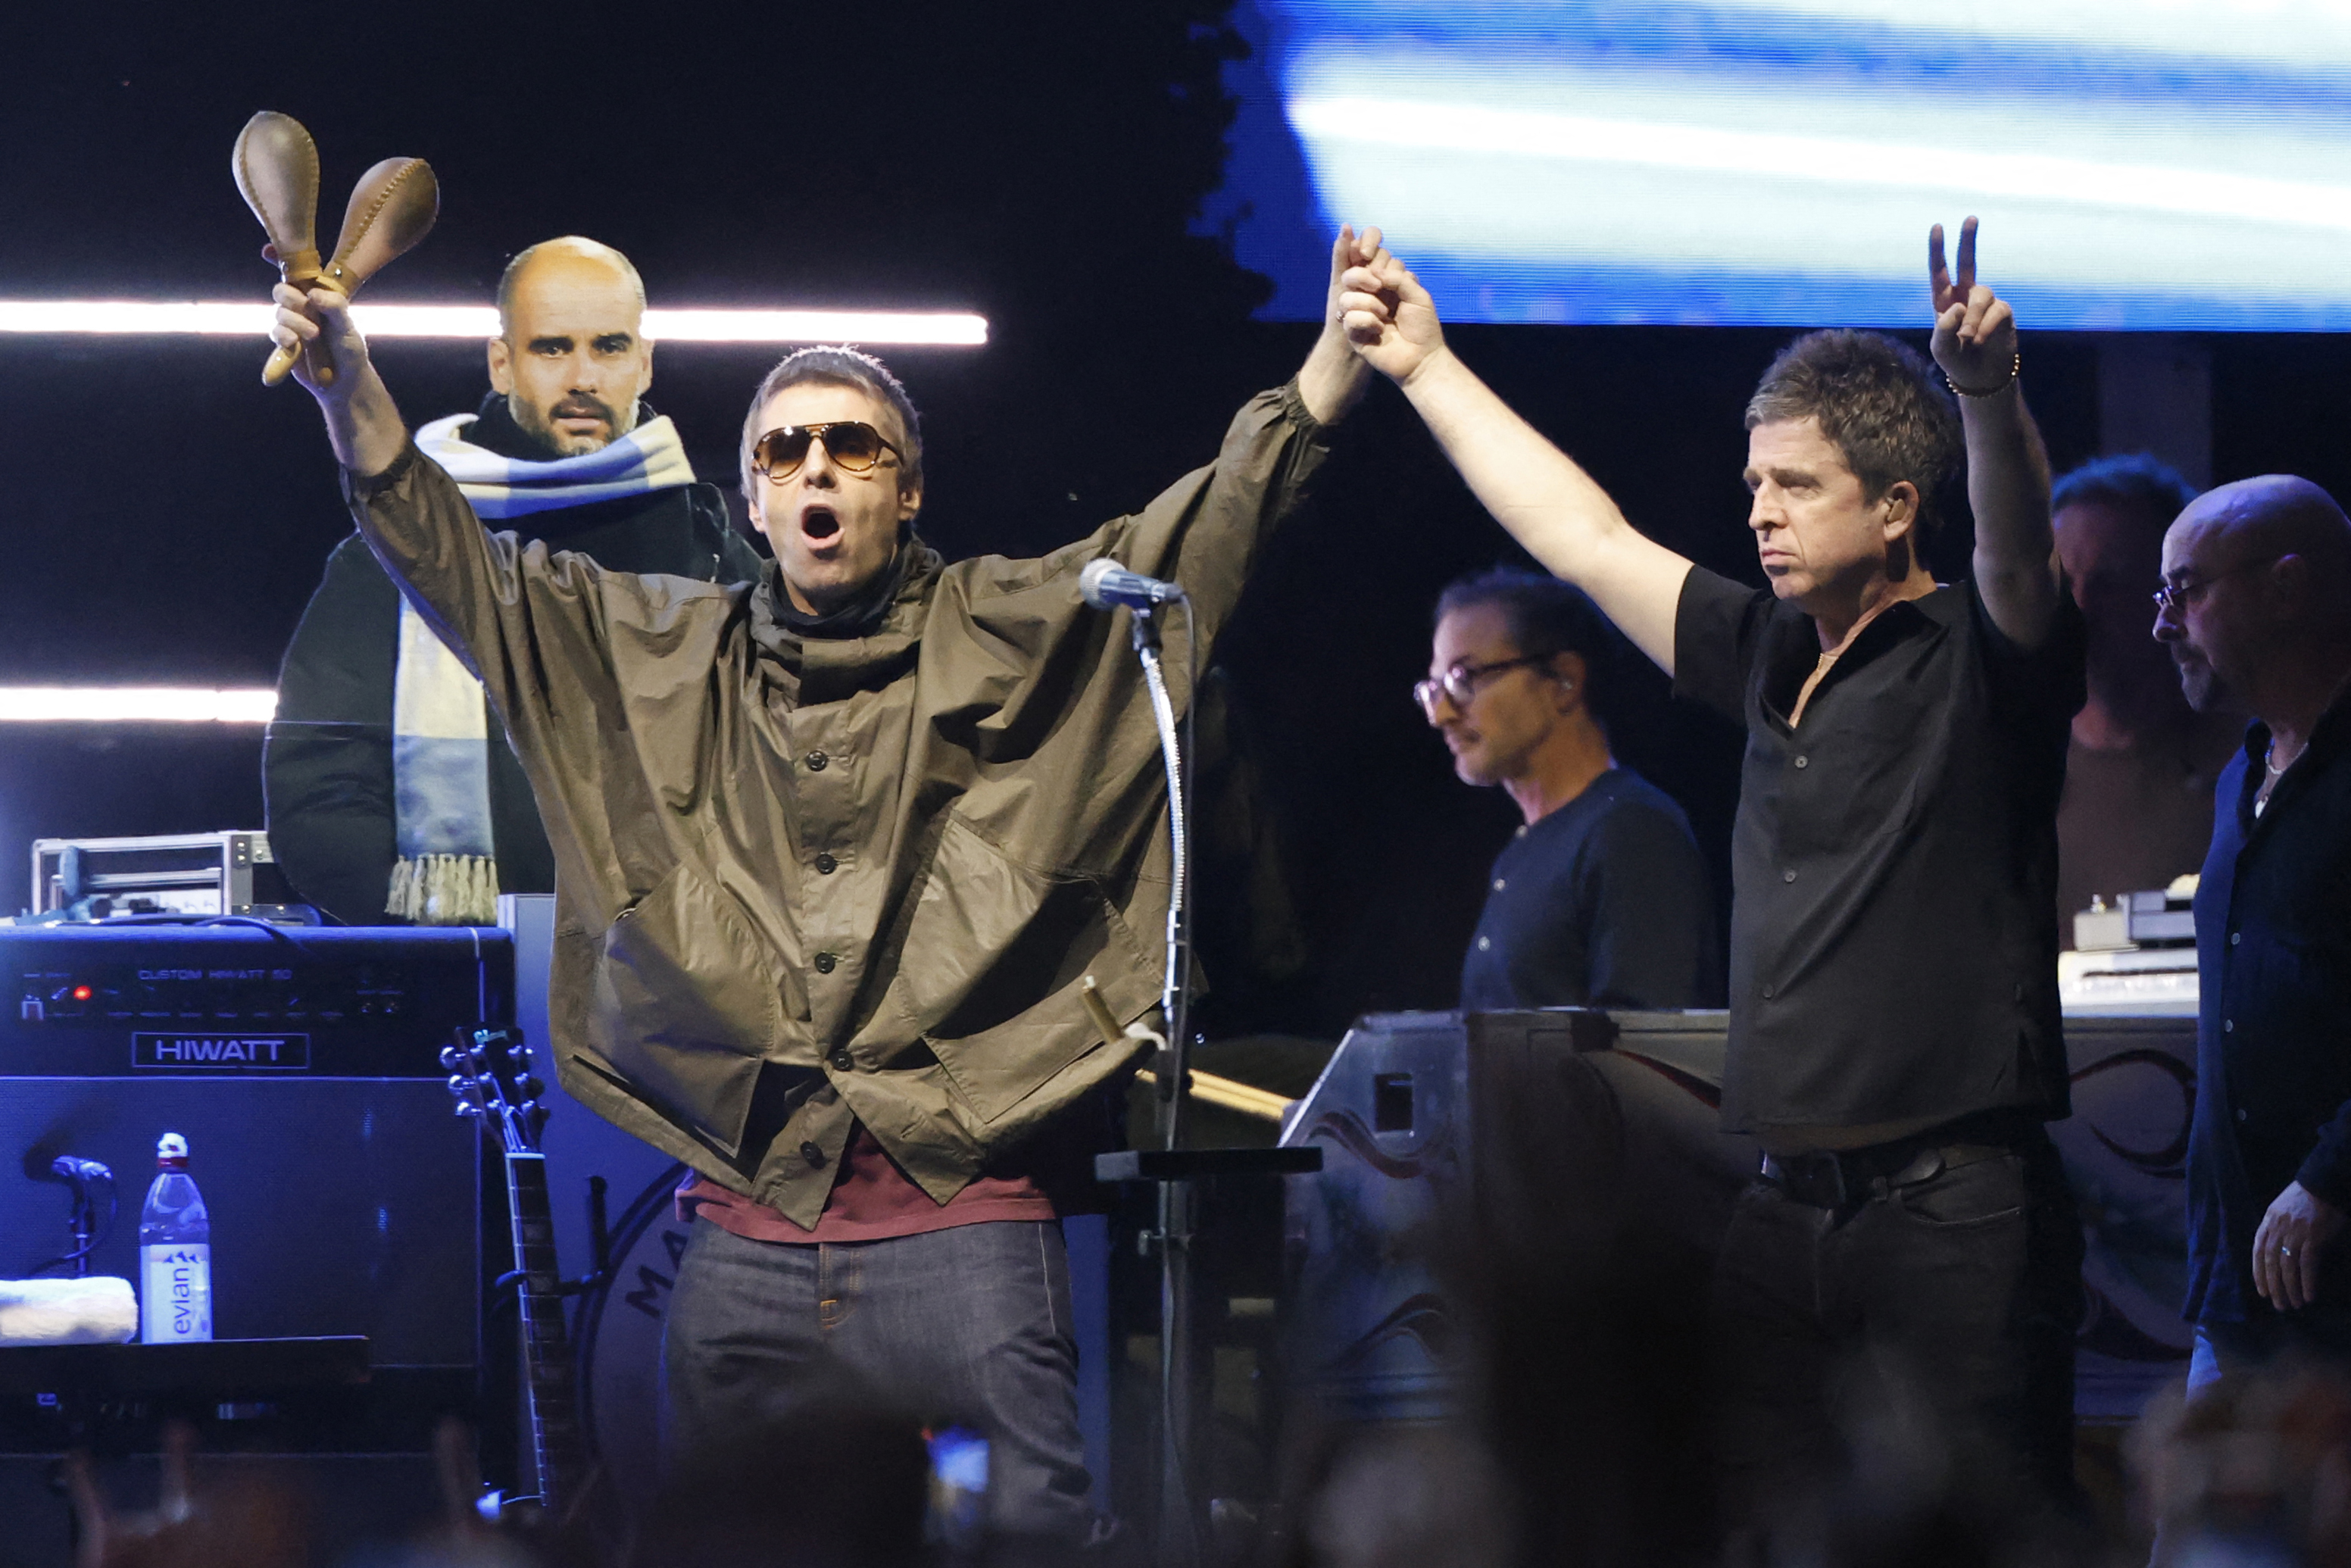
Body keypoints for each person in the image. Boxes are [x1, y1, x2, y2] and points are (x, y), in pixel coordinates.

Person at [269, 227, 1378, 1547]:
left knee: (1031, 1534)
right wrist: (347, 388)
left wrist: (1324, 371)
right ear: (748, 500)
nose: (816, 472)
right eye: (785, 451)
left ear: (904, 491)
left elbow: (1202, 534)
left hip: (967, 1222)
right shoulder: (668, 652)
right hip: (745, 1231)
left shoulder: (1011, 626)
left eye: (851, 448)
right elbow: (455, 565)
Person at [1336, 220, 2086, 1534]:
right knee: (1733, 1524)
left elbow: (2019, 551)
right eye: (1753, 482)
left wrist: (1983, 393)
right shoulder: (1758, 649)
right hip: (1778, 1210)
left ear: (1894, 507)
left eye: (1794, 486)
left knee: (1975, 1528)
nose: (1757, 511)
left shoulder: (1979, 660)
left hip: (1952, 1211)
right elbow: (1582, 535)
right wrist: (1426, 367)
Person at [265, 236, 763, 926]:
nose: (583, 376)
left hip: (672, 983)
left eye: (610, 347)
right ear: (502, 363)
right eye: (552, 348)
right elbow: (318, 785)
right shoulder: (394, 547)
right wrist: (440, 941)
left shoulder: (709, 552)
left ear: (644, 365)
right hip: (464, 986)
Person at [2159, 476, 2351, 1386]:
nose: (2163, 623)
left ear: (2284, 587)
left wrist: (2327, 1178)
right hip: (2239, 1293)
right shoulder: (2244, 773)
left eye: (2184, 589)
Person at [1420, 565, 1719, 1010]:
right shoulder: (1522, 851)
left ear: (1564, 681)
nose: (1440, 714)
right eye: (1434, 688)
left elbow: (1645, 1052)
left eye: (1464, 679)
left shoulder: (1630, 830)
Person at [2050, 454, 2237, 938]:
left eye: (2110, 582)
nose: (2081, 607)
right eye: (2064, 583)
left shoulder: (2247, 763)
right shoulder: (2012, 768)